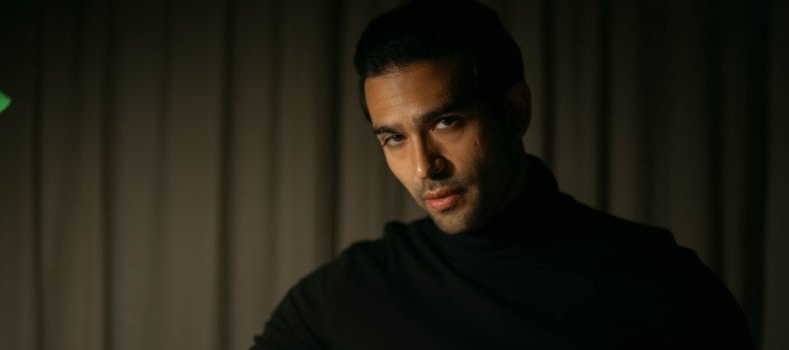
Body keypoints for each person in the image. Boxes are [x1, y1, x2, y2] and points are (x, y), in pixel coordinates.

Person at [251, 0, 753, 348]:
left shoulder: (663, 285)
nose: (425, 166)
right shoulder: (344, 294)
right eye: (394, 138)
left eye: (446, 122)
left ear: (515, 111)